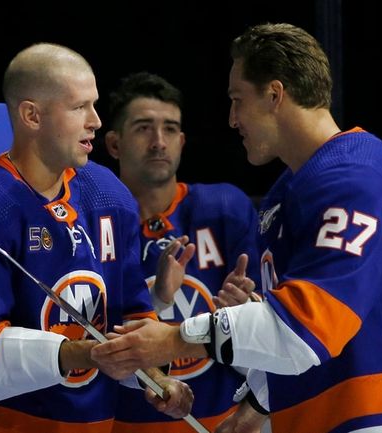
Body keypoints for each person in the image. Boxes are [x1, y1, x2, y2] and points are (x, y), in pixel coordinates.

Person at [91, 23, 382, 433]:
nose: (231, 119)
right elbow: (294, 334)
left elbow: (306, 326)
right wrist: (254, 407)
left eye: (237, 100)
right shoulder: (292, 193)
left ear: (274, 95)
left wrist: (174, 338)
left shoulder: (357, 175)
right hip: (341, 415)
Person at [0, 43, 193, 433]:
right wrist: (91, 355)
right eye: (79, 107)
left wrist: (154, 377)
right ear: (32, 115)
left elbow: (130, 321)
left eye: (95, 105)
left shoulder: (109, 196)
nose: (96, 121)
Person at [102, 71, 265, 432]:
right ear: (114, 144)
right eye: (144, 128)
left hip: (222, 421)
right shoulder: (94, 223)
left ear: (182, 141)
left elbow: (277, 326)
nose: (159, 142)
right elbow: (93, 334)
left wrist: (248, 309)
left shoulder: (224, 208)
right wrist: (156, 299)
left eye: (170, 129)